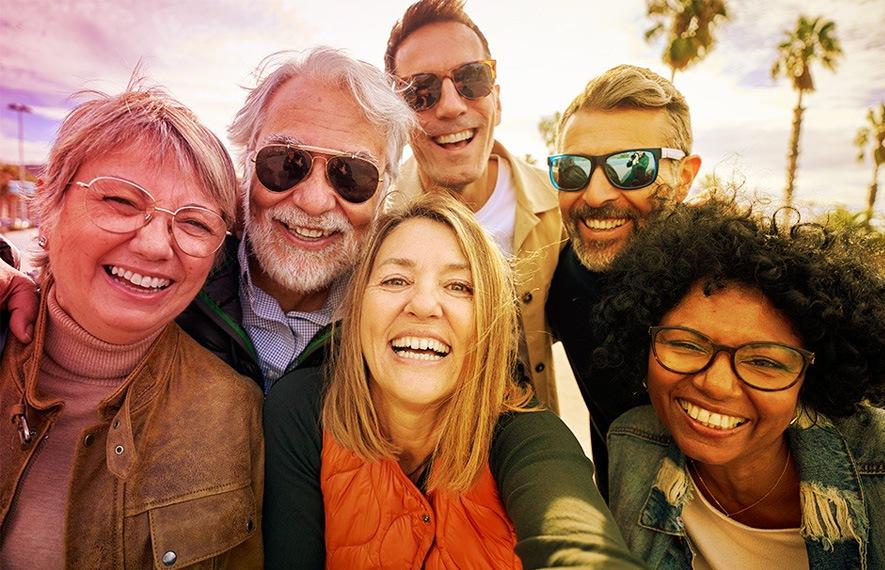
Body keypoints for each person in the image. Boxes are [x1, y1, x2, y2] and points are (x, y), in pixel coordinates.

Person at [0, 48, 416, 395]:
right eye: (286, 164)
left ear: (385, 192)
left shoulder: (411, 322)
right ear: (246, 165)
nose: (313, 201)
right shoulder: (172, 278)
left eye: (352, 175)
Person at [263, 193, 643, 569]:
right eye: (396, 280)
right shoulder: (304, 410)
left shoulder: (525, 435)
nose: (424, 304)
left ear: (488, 322)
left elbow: (573, 528)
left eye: (459, 286)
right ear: (356, 306)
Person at [0, 84, 263, 568]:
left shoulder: (234, 409)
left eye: (195, 224)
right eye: (120, 201)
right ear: (49, 207)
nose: (154, 246)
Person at [593, 199, 885, 569]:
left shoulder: (877, 461)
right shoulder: (633, 443)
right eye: (685, 343)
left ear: (810, 379)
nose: (716, 385)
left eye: (764, 362)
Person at [385, 0, 562, 410]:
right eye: (420, 92)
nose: (450, 105)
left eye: (472, 79)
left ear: (496, 100)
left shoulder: (560, 210)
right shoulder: (376, 221)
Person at [545, 64, 702, 498]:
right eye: (574, 170)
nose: (595, 195)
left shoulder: (740, 288)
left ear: (684, 176)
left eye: (632, 167)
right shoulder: (557, 282)